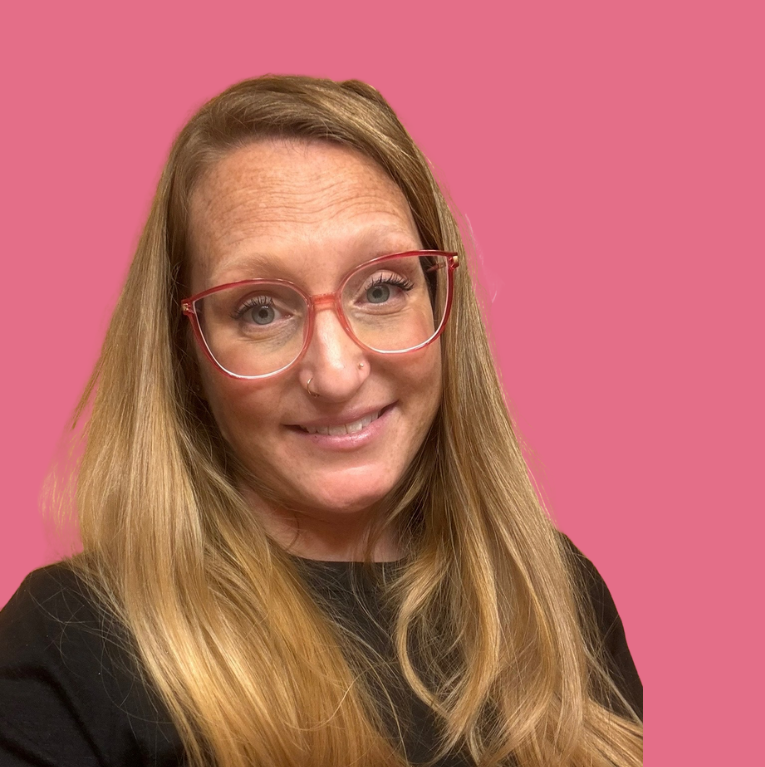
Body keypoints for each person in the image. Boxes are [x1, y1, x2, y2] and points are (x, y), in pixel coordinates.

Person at [0, 75, 643, 767]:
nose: (335, 374)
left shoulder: (555, 594)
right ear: (186, 354)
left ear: (439, 305)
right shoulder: (66, 646)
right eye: (261, 310)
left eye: (382, 288)